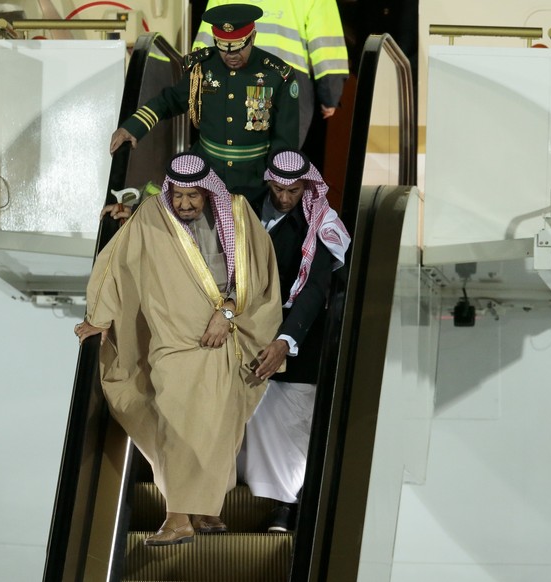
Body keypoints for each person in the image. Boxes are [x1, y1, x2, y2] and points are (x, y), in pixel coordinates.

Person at [74, 152, 282, 546]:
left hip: (224, 339)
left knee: (218, 428)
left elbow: (258, 273)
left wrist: (228, 313)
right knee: (174, 424)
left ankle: (202, 511)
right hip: (172, 343)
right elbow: (115, 264)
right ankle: (178, 517)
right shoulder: (153, 214)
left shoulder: (236, 213)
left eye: (193, 196)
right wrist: (100, 319)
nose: (185, 204)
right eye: (179, 195)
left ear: (208, 192)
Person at [241, 149, 350, 532]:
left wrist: (285, 340)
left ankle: (285, 507)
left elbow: (315, 288)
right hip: (240, 331)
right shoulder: (241, 209)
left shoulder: (320, 222)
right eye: (279, 189)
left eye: (294, 190)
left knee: (286, 425)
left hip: (296, 340)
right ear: (268, 181)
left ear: (307, 186)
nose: (286, 197)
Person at [109, 3, 299, 203]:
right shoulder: (202, 67)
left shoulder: (277, 74)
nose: (231, 56)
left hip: (253, 178)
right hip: (205, 172)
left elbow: (285, 138)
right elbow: (170, 100)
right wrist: (132, 127)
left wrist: (278, 180)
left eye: (238, 48)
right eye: (224, 48)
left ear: (252, 37)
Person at [194, 0, 349, 148]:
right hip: (286, 79)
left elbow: (208, 37)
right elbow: (327, 44)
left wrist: (196, 88)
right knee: (282, 157)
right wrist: (330, 95)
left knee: (239, 154)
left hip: (236, 76)